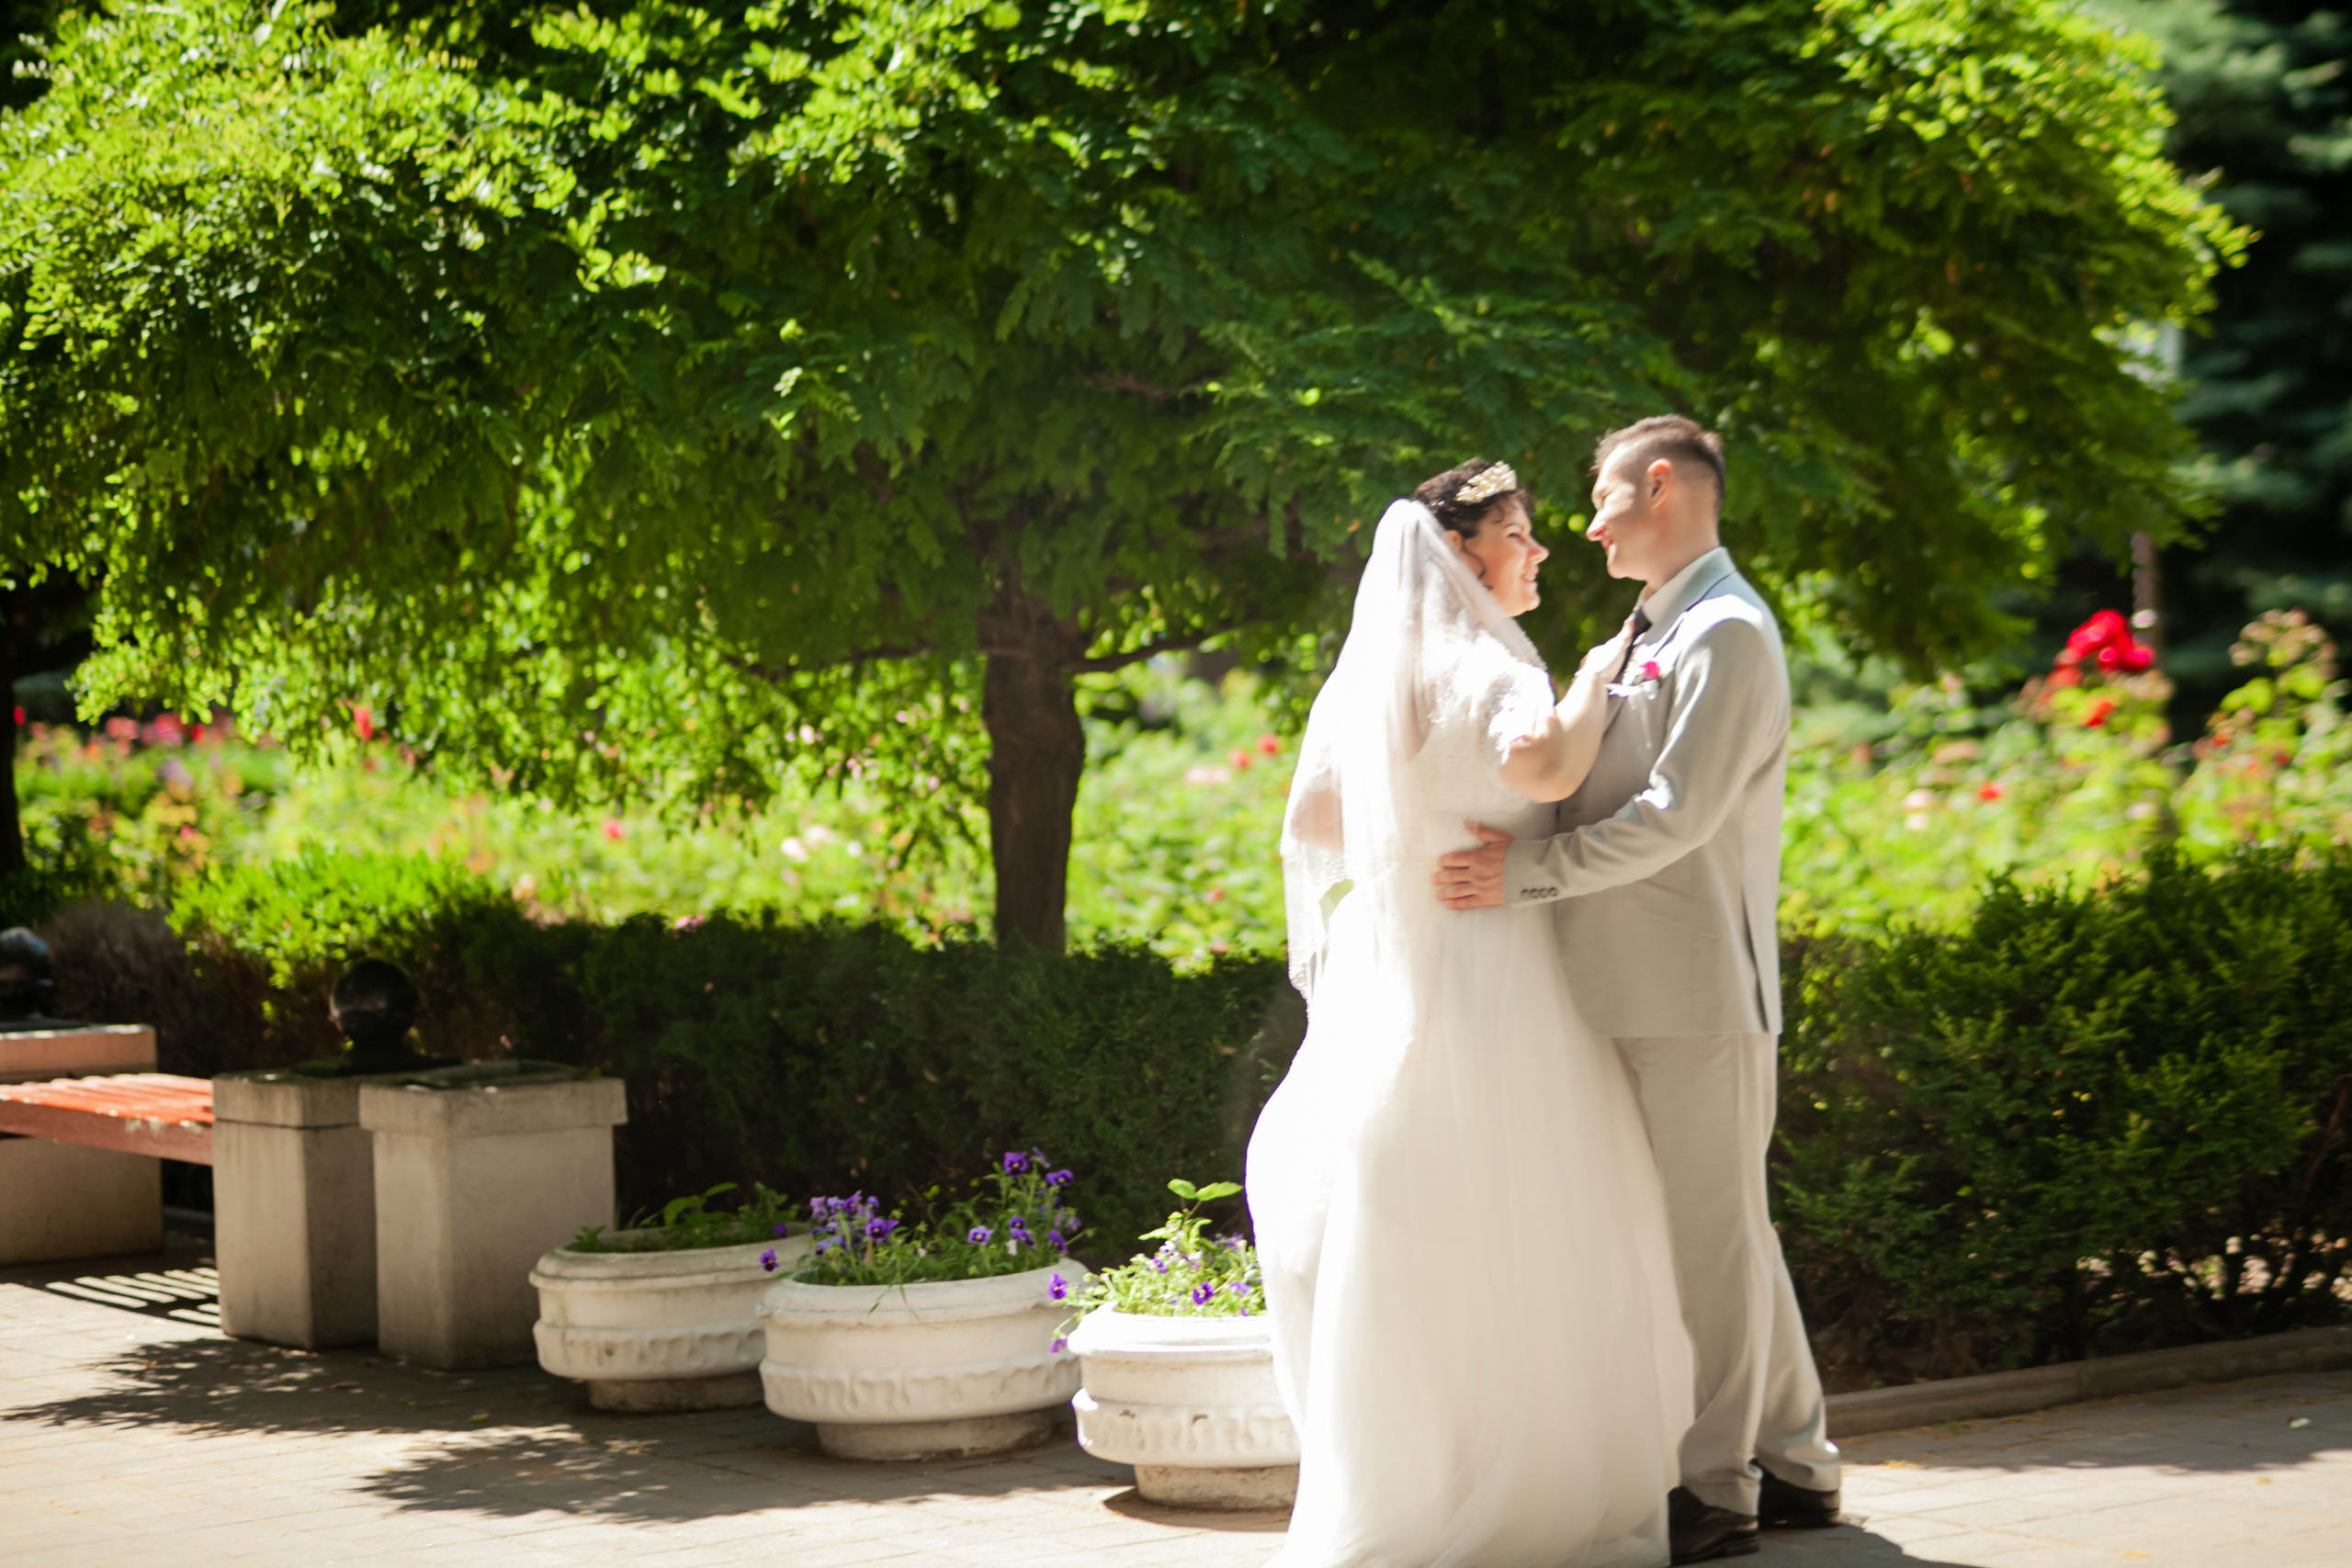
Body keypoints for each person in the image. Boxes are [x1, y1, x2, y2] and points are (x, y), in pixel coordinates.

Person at [1249, 460, 1691, 1568]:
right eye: (1519, 534)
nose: (1538, 551)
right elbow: (1540, 770)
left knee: (1409, 1210)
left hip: (1399, 955)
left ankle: (1410, 1476)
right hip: (1495, 957)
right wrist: (1594, 679)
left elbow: (1312, 812)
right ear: (1461, 555)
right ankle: (1520, 1482)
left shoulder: (1379, 671)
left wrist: (1420, 846)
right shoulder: (1492, 658)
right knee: (1529, 1205)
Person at [1432, 417, 1842, 1564]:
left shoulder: (1729, 633)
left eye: (1605, 496)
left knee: (1710, 1243)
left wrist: (1527, 876)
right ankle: (1799, 1460)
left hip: (1695, 992)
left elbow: (1677, 817)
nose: (1589, 520)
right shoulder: (1652, 626)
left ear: (1662, 488)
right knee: (1733, 1236)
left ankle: (1715, 1490)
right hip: (1634, 985)